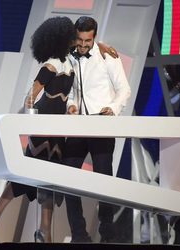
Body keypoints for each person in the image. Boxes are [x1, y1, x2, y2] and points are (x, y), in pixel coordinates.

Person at [0, 16, 118, 243]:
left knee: (49, 180)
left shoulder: (70, 60)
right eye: (72, 37)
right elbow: (30, 98)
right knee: (26, 178)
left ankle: (42, 231)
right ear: (61, 39)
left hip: (57, 129)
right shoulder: (52, 63)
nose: (77, 41)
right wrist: (31, 122)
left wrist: (101, 46)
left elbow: (86, 47)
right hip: (43, 129)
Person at [63, 16, 131, 243]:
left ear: (95, 37)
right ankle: (79, 235)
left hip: (101, 123)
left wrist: (111, 108)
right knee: (67, 178)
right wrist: (70, 104)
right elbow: (71, 90)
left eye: (87, 41)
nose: (83, 46)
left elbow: (124, 90)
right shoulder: (69, 56)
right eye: (80, 41)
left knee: (104, 180)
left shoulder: (107, 56)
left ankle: (107, 233)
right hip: (78, 125)